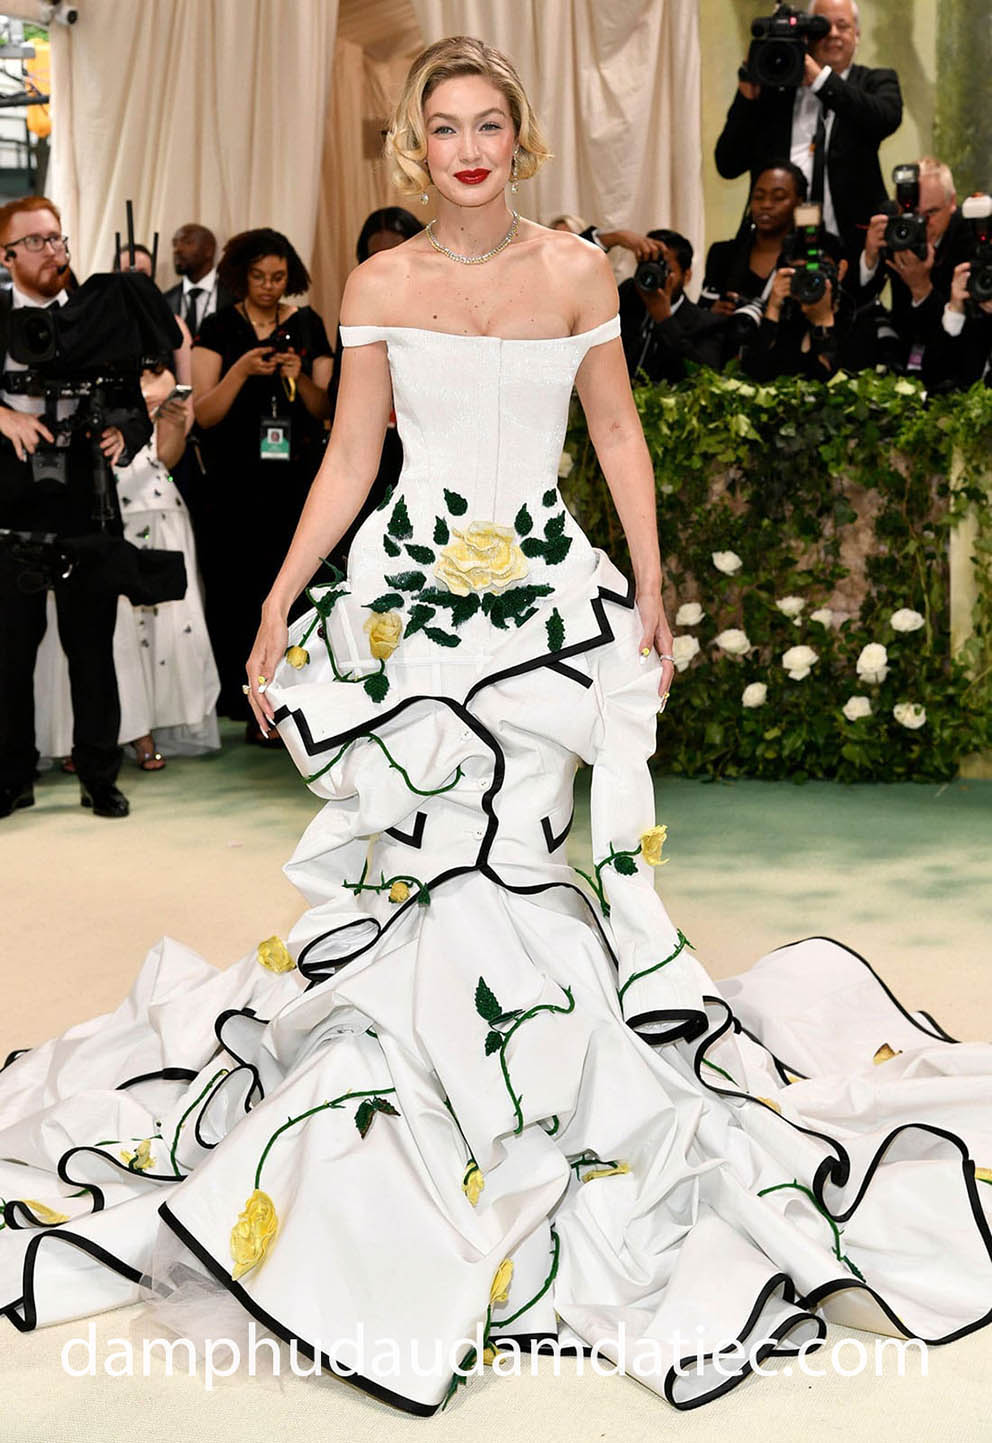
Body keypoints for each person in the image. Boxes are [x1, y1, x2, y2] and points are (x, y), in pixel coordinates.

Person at [1, 38, 990, 1421]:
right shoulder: (381, 282)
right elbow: (353, 453)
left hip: (545, 603)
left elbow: (619, 436)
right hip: (410, 604)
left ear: (519, 137)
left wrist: (648, 580)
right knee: (419, 861)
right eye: (444, 126)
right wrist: (280, 598)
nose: (466, 148)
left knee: (520, 849)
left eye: (488, 124)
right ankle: (418, 1112)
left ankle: (542, 1094)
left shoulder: (578, 272)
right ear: (416, 145)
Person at [0, 195, 148, 819]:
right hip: (10, 509)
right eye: (35, 241)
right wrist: (3, 415)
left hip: (88, 506)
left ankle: (99, 776)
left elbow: (134, 405)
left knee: (92, 652)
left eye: (56, 238)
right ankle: (11, 777)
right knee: (8, 654)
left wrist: (124, 433)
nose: (51, 250)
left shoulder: (99, 316)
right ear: (6, 256)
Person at [34, 367, 220, 770]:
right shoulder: (78, 367)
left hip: (149, 503)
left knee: (142, 631)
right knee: (90, 627)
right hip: (83, 502)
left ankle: (139, 730)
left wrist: (170, 422)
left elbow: (165, 457)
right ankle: (74, 736)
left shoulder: (161, 375)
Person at [191, 227, 333, 734]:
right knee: (236, 587)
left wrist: (299, 376)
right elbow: (204, 414)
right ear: (241, 277)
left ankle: (295, 697)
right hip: (232, 482)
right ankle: (245, 702)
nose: (269, 286)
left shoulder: (309, 324)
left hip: (295, 480)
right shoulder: (217, 327)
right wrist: (241, 371)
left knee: (294, 586)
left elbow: (326, 408)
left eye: (277, 277)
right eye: (259, 277)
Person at [714, 0, 903, 260]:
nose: (833, 34)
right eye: (823, 27)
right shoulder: (775, 92)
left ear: (857, 35)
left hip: (852, 247)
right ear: (807, 36)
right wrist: (746, 97)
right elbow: (728, 164)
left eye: (843, 26)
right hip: (775, 248)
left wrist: (820, 79)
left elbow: (885, 119)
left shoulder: (875, 81)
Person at [325, 207, 422, 576]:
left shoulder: (446, 307)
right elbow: (338, 391)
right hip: (371, 454)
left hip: (423, 456)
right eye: (373, 256)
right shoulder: (358, 309)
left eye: (393, 253)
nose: (383, 265)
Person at [857, 156, 970, 373]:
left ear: (952, 203)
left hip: (950, 358)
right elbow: (858, 300)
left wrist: (921, 287)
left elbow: (963, 338)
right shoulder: (892, 224)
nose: (921, 223)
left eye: (931, 213)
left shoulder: (969, 235)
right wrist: (869, 258)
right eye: (914, 214)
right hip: (901, 345)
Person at [618, 228, 727, 383]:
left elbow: (704, 378)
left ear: (687, 276)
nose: (653, 274)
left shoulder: (708, 324)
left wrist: (665, 320)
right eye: (647, 265)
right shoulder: (627, 296)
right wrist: (616, 238)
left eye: (664, 269)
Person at [701, 160, 808, 315]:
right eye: (758, 197)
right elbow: (698, 315)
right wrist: (711, 314)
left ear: (799, 202)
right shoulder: (723, 254)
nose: (766, 204)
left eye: (778, 197)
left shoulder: (811, 255)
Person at [162, 223, 234, 339]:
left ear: (209, 250)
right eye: (175, 244)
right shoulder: (165, 301)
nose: (177, 250)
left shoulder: (235, 296)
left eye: (187, 242)